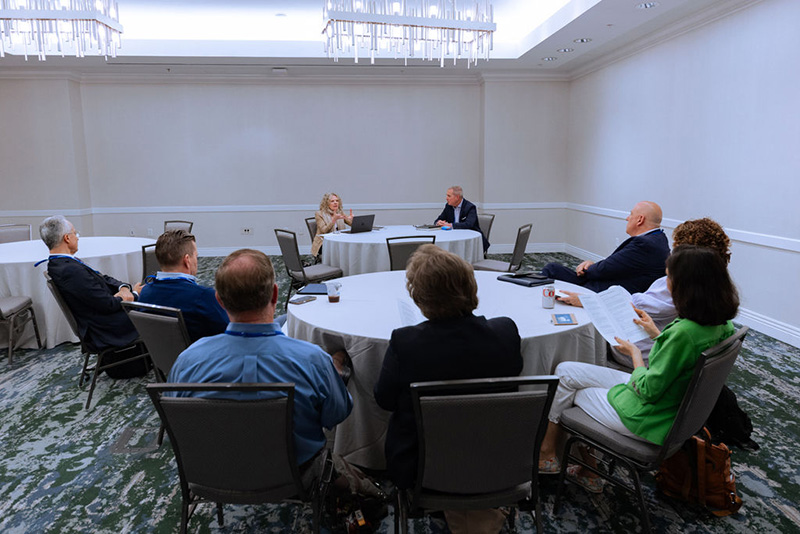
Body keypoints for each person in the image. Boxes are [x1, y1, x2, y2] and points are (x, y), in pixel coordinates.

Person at [166, 249, 381, 497]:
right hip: (296, 476)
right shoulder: (312, 360)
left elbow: (180, 422)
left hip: (213, 473)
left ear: (220, 300)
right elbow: (337, 414)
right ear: (275, 294)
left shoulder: (187, 361)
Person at [538, 245, 739, 493]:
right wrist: (657, 335)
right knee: (567, 371)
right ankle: (564, 459)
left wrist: (634, 353)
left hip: (650, 419)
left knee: (571, 392)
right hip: (674, 410)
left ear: (687, 284)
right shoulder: (722, 325)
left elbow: (647, 389)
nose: (666, 282)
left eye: (669, 276)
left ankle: (574, 462)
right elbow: (683, 360)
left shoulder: (683, 333)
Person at [374, 245, 522, 533]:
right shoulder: (505, 332)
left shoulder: (406, 342)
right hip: (498, 461)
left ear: (419, 297)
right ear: (471, 286)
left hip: (422, 469)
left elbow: (384, 399)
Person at [557, 217, 732, 366]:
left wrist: (590, 300)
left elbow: (634, 307)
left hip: (644, 351)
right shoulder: (716, 282)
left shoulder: (680, 285)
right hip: (662, 343)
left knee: (589, 327)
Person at [39, 215, 149, 378]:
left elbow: (103, 278)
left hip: (104, 316)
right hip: (107, 326)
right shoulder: (69, 271)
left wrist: (123, 288)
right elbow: (108, 304)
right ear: (67, 238)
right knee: (158, 302)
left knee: (150, 293)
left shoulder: (63, 263)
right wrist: (133, 294)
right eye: (75, 233)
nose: (77, 237)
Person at [541, 201, 669, 294]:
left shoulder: (644, 244)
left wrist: (586, 269)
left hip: (602, 291)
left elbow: (603, 270)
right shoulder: (658, 238)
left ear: (640, 220)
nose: (627, 218)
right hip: (608, 281)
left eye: (630, 214)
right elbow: (615, 265)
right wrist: (590, 264)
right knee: (552, 268)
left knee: (552, 270)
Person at [138, 229, 228, 342]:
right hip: (201, 358)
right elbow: (229, 332)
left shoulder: (145, 293)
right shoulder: (203, 296)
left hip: (161, 357)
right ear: (187, 260)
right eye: (196, 256)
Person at [434, 185, 489, 253]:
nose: (446, 198)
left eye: (449, 196)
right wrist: (438, 222)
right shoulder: (448, 206)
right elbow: (438, 219)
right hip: (453, 237)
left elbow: (469, 224)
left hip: (469, 241)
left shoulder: (470, 207)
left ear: (457, 197)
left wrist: (451, 225)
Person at [311, 192, 353, 258]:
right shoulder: (319, 214)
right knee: (344, 250)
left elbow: (351, 224)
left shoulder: (339, 212)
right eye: (332, 201)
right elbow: (324, 230)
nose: (335, 203)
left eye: (337, 201)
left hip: (338, 241)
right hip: (323, 243)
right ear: (326, 203)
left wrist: (352, 219)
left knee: (351, 247)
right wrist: (333, 220)